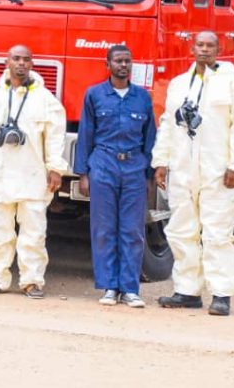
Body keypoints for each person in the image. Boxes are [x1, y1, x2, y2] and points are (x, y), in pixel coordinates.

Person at [152, 31, 234, 316]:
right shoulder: (178, 84)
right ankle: (187, 290)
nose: (205, 50)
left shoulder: (233, 85)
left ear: (219, 50)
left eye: (210, 46)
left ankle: (221, 294)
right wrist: (161, 162)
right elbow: (168, 124)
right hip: (182, 170)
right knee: (181, 230)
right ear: (192, 48)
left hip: (217, 171)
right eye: (200, 45)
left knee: (217, 233)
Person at [0, 45, 67, 299]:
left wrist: (55, 168)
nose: (21, 63)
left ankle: (32, 281)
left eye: (26, 59)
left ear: (32, 64)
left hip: (32, 174)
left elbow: (55, 137)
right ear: (7, 62)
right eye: (16, 59)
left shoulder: (45, 99)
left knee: (33, 232)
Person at [75, 44, 157, 308]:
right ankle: (109, 286)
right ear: (107, 64)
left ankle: (130, 289)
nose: (123, 65)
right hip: (103, 165)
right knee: (104, 229)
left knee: (132, 230)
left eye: (127, 61)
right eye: (118, 61)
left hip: (134, 167)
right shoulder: (94, 95)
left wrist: (149, 175)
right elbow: (85, 134)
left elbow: (150, 137)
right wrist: (83, 174)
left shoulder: (142, 97)